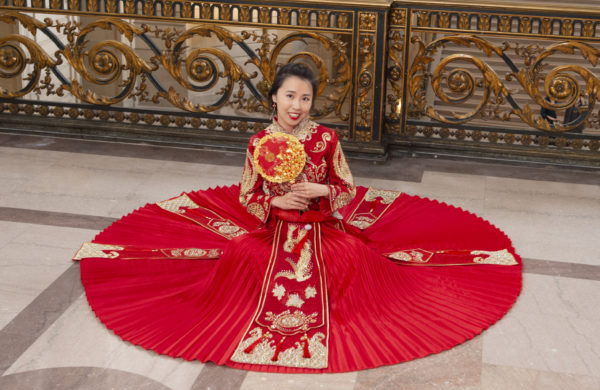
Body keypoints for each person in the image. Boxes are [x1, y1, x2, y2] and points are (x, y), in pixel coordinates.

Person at [75, 63, 522, 373]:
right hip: (275, 232)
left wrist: (321, 190)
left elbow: (348, 188)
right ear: (274, 97)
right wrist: (274, 203)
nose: (297, 105)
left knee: (352, 258)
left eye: (305, 98)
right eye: (290, 96)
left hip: (322, 228)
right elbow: (247, 196)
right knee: (240, 253)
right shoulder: (258, 143)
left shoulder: (326, 139)